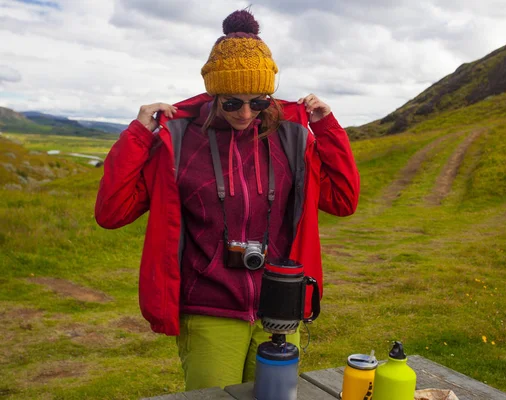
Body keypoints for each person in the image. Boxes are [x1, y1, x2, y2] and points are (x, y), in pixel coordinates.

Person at [95, 9, 360, 391]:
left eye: (258, 101)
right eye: (232, 103)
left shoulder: (291, 140)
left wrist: (328, 128)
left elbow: (344, 199)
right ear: (213, 94)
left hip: (280, 306)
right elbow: (111, 212)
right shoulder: (181, 142)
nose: (246, 113)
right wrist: (139, 134)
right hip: (208, 308)